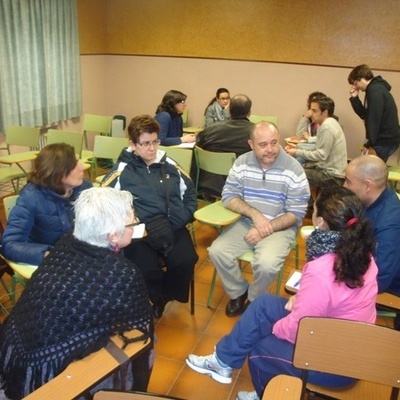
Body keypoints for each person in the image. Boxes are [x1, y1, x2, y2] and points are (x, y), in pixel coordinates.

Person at [186, 186, 378, 400]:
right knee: (264, 304)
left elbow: (298, 328)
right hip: (346, 339)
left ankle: (267, 395)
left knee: (261, 347)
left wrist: (273, 329)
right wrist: (302, 297)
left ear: (320, 222)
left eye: (313, 210)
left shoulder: (323, 269)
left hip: (336, 364)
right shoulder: (361, 251)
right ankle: (223, 362)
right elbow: (338, 296)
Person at [0, 187, 153, 399]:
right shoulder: (123, 273)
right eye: (133, 220)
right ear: (113, 236)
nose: (136, 221)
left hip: (15, 351)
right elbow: (140, 332)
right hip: (47, 374)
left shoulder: (65, 243)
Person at [208, 121, 309, 317]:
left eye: (274, 142)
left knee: (266, 264)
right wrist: (255, 215)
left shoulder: (294, 169)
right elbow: (228, 196)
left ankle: (255, 298)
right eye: (263, 145)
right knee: (217, 252)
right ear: (251, 144)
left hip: (280, 228)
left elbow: (296, 213)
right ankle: (238, 291)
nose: (270, 149)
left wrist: (266, 227)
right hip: (246, 222)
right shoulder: (242, 163)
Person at [102, 114, 198, 318]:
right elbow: (104, 202)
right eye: (145, 143)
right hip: (140, 232)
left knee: (186, 260)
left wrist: (183, 216)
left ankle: (165, 295)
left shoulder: (169, 163)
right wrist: (132, 223)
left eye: (155, 142)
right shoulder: (122, 170)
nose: (152, 148)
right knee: (145, 269)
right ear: (133, 145)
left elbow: (189, 191)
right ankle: (154, 296)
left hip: (172, 224)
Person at [1, 143, 92, 266]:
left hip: (79, 254)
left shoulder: (85, 188)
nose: (82, 167)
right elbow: (10, 245)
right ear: (58, 172)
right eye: (75, 164)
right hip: (52, 261)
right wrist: (49, 255)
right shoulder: (31, 197)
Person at [344, 155, 400, 328]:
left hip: (389, 286)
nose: (344, 186)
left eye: (348, 181)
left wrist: (340, 283)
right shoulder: (372, 200)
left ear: (367, 185)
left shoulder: (388, 223)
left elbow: (381, 277)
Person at [285, 96, 347, 201]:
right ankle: (311, 205)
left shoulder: (327, 127)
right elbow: (318, 147)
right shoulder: (330, 123)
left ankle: (307, 206)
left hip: (332, 176)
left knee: (294, 172)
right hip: (329, 171)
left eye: (314, 110)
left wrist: (297, 152)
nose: (310, 113)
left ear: (325, 112)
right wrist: (298, 147)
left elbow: (321, 155)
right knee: (300, 167)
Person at [196, 94, 254, 196]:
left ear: (229, 111)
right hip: (244, 188)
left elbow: (198, 148)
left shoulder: (210, 129)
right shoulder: (256, 133)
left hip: (210, 185)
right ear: (249, 112)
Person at [348, 64, 400, 162]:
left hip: (383, 141)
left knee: (369, 171)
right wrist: (355, 98)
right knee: (375, 171)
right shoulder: (375, 89)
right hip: (389, 140)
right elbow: (365, 115)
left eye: (355, 83)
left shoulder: (374, 91)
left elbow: (374, 119)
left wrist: (370, 144)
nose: (355, 87)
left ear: (361, 78)